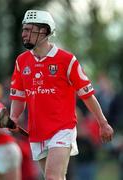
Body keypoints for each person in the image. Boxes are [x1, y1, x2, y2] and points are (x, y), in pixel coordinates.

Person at [8, 10, 114, 180]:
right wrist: (13, 116)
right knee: (55, 178)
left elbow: (87, 95)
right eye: (23, 30)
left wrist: (103, 123)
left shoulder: (67, 60)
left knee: (52, 177)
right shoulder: (21, 61)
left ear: (44, 31)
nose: (24, 34)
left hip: (62, 129)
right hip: (36, 131)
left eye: (29, 29)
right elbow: (19, 97)